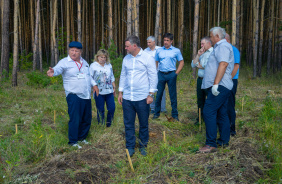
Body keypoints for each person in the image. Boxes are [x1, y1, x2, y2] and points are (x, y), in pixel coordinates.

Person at [47, 41, 92, 149]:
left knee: (86, 118)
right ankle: (73, 141)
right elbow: (58, 69)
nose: (74, 53)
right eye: (72, 50)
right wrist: (54, 71)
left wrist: (94, 86)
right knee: (75, 118)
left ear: (80, 52)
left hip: (86, 95)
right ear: (69, 51)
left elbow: (88, 76)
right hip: (73, 95)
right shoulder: (64, 62)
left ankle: (82, 138)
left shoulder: (84, 62)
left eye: (76, 51)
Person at [118, 35, 158, 157]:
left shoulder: (147, 58)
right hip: (128, 98)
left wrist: (151, 94)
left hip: (142, 98)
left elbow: (153, 76)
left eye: (127, 46)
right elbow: (123, 75)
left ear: (134, 46)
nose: (125, 48)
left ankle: (143, 145)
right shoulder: (126, 59)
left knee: (143, 123)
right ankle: (130, 146)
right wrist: (120, 92)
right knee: (128, 123)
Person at [199, 27, 234, 153]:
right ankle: (224, 141)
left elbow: (223, 64)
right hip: (221, 85)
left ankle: (210, 144)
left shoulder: (223, 46)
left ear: (217, 36)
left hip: (220, 85)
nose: (210, 38)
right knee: (221, 113)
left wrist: (215, 84)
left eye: (211, 36)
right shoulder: (219, 47)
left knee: (208, 111)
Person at [153, 33, 184, 121]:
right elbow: (156, 62)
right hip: (161, 74)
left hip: (171, 74)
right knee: (158, 94)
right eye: (164, 40)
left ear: (171, 41)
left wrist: (176, 73)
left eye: (167, 40)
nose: (165, 42)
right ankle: (156, 113)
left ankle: (175, 114)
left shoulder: (176, 51)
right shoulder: (159, 51)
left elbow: (181, 62)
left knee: (172, 95)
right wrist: (156, 72)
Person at [90, 49, 116, 127]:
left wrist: (114, 86)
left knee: (112, 108)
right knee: (100, 110)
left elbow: (112, 76)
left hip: (109, 91)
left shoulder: (108, 65)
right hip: (99, 91)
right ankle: (101, 125)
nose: (103, 59)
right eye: (101, 57)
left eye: (105, 57)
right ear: (97, 57)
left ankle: (109, 124)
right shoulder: (93, 65)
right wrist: (94, 86)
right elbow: (90, 77)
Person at [191, 36, 213, 124]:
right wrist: (198, 55)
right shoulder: (202, 53)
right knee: (200, 100)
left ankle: (210, 119)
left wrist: (201, 65)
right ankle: (200, 119)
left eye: (203, 44)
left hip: (209, 80)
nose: (201, 45)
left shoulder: (213, 52)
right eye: (201, 44)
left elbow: (209, 66)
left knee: (210, 100)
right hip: (200, 80)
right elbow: (193, 65)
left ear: (209, 43)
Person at [144, 36, 167, 114]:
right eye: (147, 42)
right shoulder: (145, 51)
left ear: (154, 42)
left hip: (159, 73)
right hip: (149, 74)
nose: (148, 44)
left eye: (149, 42)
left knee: (161, 90)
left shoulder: (160, 49)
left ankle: (162, 108)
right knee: (151, 91)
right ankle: (152, 108)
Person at [225, 33, 240, 136]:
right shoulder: (224, 50)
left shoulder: (233, 50)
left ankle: (232, 129)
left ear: (227, 40)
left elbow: (236, 65)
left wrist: (229, 78)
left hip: (231, 80)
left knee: (230, 104)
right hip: (224, 81)